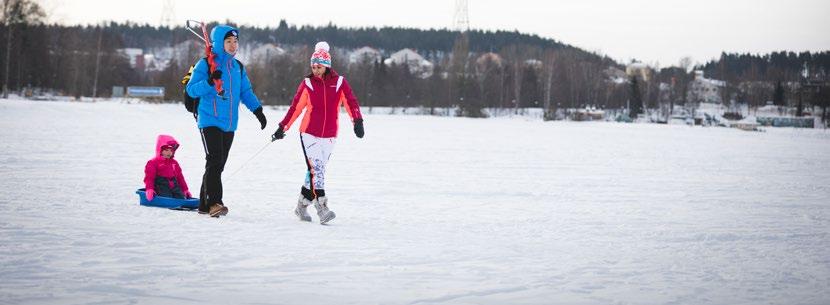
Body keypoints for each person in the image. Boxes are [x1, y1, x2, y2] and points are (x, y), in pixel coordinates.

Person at [271, 41, 365, 224]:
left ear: (327, 66)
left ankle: (301, 205)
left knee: (314, 171)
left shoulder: (339, 83)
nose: (315, 69)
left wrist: (357, 121)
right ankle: (322, 207)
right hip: (309, 132)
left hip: (330, 134)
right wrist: (283, 127)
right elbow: (295, 108)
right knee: (317, 169)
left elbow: (351, 102)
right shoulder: (307, 84)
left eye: (319, 66)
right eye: (313, 66)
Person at [186, 25, 267, 217]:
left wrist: (258, 111)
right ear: (219, 43)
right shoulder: (205, 64)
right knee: (214, 160)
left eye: (235, 41)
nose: (233, 45)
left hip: (229, 123)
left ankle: (204, 205)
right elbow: (191, 90)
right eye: (228, 41)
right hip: (209, 120)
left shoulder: (237, 67)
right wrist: (209, 82)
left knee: (218, 164)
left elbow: (245, 92)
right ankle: (215, 203)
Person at [144, 134, 192, 201]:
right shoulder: (153, 162)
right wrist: (149, 189)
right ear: (160, 150)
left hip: (174, 186)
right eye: (166, 150)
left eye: (171, 150)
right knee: (167, 198)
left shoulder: (174, 163)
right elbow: (149, 178)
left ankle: (182, 200)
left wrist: (185, 190)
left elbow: (180, 177)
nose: (169, 153)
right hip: (161, 186)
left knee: (181, 198)